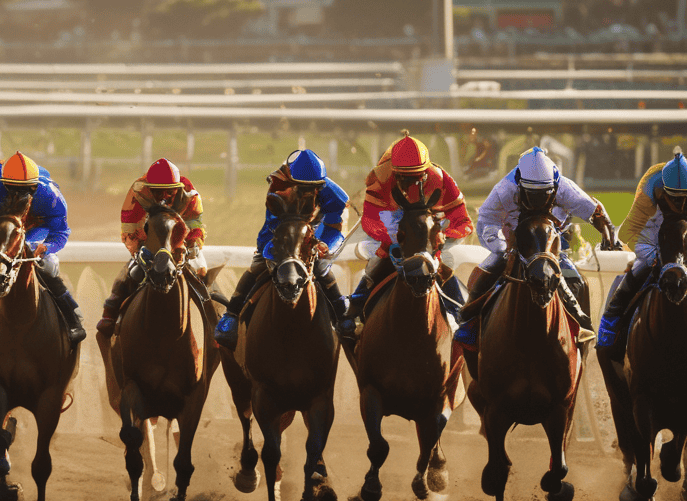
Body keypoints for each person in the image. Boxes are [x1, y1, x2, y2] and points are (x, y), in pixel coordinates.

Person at [456, 145, 620, 347]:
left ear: (554, 186)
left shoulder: (564, 187)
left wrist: (609, 235)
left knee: (577, 281)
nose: (538, 200)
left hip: (548, 244)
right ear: (520, 185)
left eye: (543, 194)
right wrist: (503, 248)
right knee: (484, 274)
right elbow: (486, 222)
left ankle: (583, 326)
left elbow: (594, 212)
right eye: (532, 194)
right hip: (513, 240)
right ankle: (467, 322)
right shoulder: (504, 189)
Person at [213, 148, 351, 349]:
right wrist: (287, 246)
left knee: (321, 267)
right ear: (292, 182)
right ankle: (231, 316)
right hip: (280, 230)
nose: (309, 192)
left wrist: (322, 244)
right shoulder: (278, 189)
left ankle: (343, 316)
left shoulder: (332, 195)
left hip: (314, 230)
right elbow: (275, 227)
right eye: (303, 187)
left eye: (313, 188)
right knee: (259, 265)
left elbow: (334, 227)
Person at [340, 133, 472, 337]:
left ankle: (463, 316)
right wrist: (392, 237)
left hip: (430, 234)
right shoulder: (381, 178)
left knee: (441, 262)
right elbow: (369, 221)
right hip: (396, 235)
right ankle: (352, 311)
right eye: (404, 178)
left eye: (417, 177)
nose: (410, 183)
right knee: (378, 260)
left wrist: (441, 235)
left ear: (426, 172)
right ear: (394, 172)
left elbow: (463, 221)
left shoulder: (441, 178)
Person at [0, 151, 86, 346]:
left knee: (46, 266)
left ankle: (73, 319)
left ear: (35, 186)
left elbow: (61, 232)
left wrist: (46, 247)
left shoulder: (51, 195)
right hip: (4, 222)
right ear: (3, 183)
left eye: (24, 190)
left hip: (35, 226)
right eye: (11, 189)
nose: (16, 195)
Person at [96, 158, 206, 337]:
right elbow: (130, 227)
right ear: (149, 188)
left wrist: (190, 245)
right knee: (131, 273)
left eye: (168, 192)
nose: (163, 197)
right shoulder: (138, 192)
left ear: (177, 188)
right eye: (157, 191)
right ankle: (110, 314)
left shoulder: (189, 194)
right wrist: (140, 250)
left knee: (202, 271)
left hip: (181, 240)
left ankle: (218, 318)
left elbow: (194, 223)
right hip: (151, 242)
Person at [596, 149, 686, 349]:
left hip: (682, 237)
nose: (680, 204)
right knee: (645, 264)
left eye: (685, 197)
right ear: (662, 190)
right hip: (652, 234)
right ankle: (608, 330)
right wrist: (655, 254)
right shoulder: (650, 186)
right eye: (675, 197)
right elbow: (627, 232)